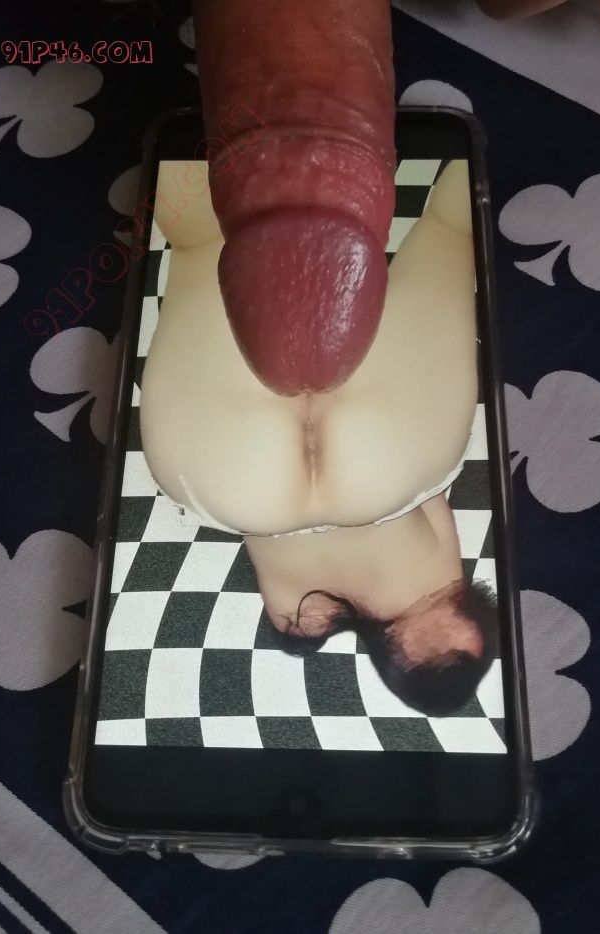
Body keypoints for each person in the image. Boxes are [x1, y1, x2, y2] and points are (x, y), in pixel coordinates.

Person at [141, 157, 498, 716]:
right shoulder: (298, 621)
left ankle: (469, 140)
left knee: (450, 234)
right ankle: (176, 132)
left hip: (383, 479)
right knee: (199, 246)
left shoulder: (438, 585)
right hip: (236, 492)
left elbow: (434, 500)